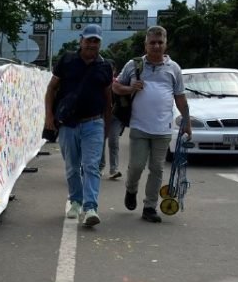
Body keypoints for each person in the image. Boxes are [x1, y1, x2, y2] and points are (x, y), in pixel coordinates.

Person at [113, 25, 191, 223]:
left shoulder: (174, 68)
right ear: (145, 45)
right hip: (139, 126)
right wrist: (129, 87)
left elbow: (180, 97)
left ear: (166, 44)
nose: (156, 46)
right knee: (137, 166)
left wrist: (187, 122)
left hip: (163, 129)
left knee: (157, 168)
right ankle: (131, 189)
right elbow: (116, 86)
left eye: (160, 42)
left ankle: (149, 207)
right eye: (152, 43)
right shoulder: (134, 65)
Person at [44, 23, 113, 227]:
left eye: (96, 41)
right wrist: (49, 117)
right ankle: (75, 200)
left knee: (91, 166)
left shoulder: (105, 66)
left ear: (100, 43)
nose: (92, 44)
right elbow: (51, 88)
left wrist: (106, 129)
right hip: (68, 124)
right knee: (72, 167)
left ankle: (90, 207)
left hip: (94, 123)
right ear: (81, 40)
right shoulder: (67, 60)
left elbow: (108, 100)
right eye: (88, 40)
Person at [99, 59, 124, 179]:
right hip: (100, 117)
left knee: (113, 142)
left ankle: (114, 169)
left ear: (114, 71)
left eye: (111, 69)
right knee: (100, 143)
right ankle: (100, 167)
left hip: (115, 118)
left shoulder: (118, 84)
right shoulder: (97, 82)